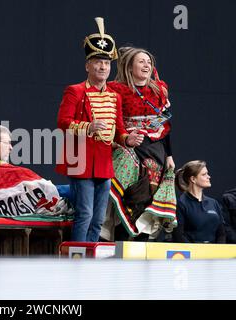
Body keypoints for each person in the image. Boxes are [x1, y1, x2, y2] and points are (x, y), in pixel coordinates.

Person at [56, 18, 142, 242]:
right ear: (87, 65)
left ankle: (90, 258)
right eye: (98, 62)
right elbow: (63, 122)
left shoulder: (115, 96)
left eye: (106, 63)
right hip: (81, 161)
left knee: (98, 218)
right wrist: (88, 126)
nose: (103, 67)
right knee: (84, 213)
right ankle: (77, 257)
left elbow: (119, 131)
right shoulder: (75, 91)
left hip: (104, 163)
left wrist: (128, 139)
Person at [107, 47, 177, 240]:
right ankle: (117, 241)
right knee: (128, 195)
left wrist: (169, 156)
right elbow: (115, 122)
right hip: (130, 147)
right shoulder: (116, 90)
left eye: (149, 62)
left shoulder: (159, 90)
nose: (146, 65)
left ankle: (141, 243)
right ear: (129, 67)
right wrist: (123, 140)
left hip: (156, 150)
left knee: (149, 196)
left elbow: (165, 124)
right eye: (141, 61)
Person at [173, 160, 226, 243]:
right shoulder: (180, 203)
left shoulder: (214, 203)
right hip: (192, 253)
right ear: (193, 179)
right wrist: (196, 252)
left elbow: (221, 234)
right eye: (204, 174)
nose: (209, 177)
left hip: (214, 254)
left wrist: (217, 251)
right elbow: (178, 235)